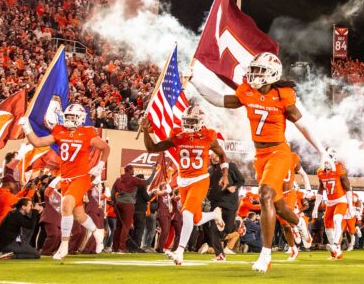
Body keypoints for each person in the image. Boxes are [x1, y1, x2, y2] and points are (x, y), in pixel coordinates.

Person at [193, 52, 329, 272]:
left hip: (279, 151)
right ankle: (298, 222)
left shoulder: (282, 95)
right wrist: (194, 81)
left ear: (273, 74)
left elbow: (303, 125)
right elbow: (219, 100)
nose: (254, 74)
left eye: (260, 71)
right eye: (254, 69)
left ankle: (265, 256)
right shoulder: (248, 92)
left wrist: (321, 151)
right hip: (260, 156)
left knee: (264, 193)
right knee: (279, 206)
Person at [141, 104, 229, 266]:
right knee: (195, 219)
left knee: (187, 214)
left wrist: (224, 174)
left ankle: (180, 251)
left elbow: (222, 155)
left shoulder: (208, 135)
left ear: (201, 121)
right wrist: (146, 130)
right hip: (183, 181)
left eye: (192, 121)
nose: (188, 124)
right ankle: (215, 214)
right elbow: (152, 148)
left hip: (200, 179)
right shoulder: (178, 135)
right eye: (186, 120)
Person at [19, 103, 109, 260]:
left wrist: (100, 164)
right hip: (66, 178)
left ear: (80, 118)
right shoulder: (60, 131)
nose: (68, 119)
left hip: (81, 177)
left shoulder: (87, 132)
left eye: (72, 117)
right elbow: (37, 142)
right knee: (79, 215)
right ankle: (97, 231)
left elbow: (105, 148)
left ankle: (64, 246)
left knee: (66, 205)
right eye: (67, 116)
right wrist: (27, 128)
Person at [313, 147, 353, 260]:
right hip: (330, 202)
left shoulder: (339, 169)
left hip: (341, 200)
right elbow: (320, 190)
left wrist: (350, 206)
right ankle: (336, 252)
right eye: (324, 159)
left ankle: (335, 244)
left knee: (337, 219)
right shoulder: (320, 172)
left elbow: (348, 189)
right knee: (327, 227)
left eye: (328, 159)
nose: (326, 162)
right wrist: (315, 207)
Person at [206, 150, 245, 262]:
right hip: (216, 204)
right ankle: (220, 254)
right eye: (212, 154)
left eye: (216, 153)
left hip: (230, 203)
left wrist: (235, 187)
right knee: (213, 229)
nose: (214, 155)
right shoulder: (209, 170)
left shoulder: (230, 166)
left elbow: (241, 180)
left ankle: (216, 243)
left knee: (227, 228)